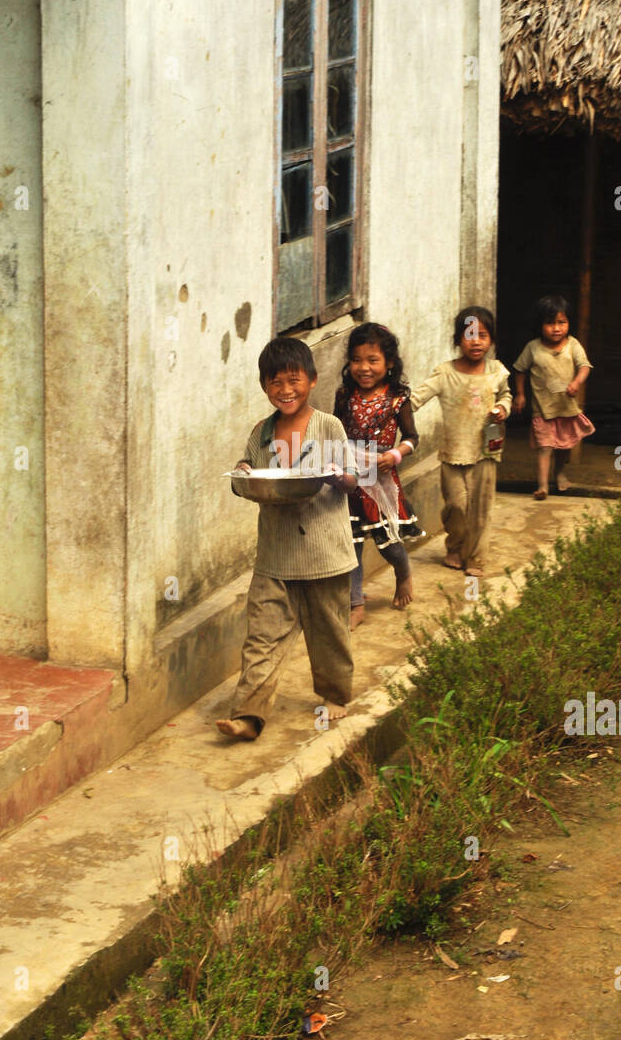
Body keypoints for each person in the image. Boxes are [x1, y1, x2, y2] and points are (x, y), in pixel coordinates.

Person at [216, 337, 357, 742]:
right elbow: (246, 477)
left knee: (329, 630)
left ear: (312, 381)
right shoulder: (261, 433)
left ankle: (335, 695)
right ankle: (248, 716)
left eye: (293, 380)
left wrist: (334, 473)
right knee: (262, 636)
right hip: (275, 555)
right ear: (265, 387)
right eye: (275, 382)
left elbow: (351, 481)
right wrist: (243, 470)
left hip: (325, 552)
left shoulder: (329, 425)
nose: (285, 390)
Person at [333, 323, 424, 630]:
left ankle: (403, 572)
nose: (364, 367)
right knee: (351, 542)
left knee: (388, 542)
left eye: (373, 360)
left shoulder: (398, 398)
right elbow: (335, 432)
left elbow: (412, 437)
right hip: (349, 480)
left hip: (381, 479)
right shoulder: (344, 395)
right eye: (357, 360)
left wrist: (396, 454)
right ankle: (355, 603)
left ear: (390, 364)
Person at [411, 306, 512, 576]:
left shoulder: (497, 371)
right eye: (469, 335)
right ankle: (455, 545)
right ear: (457, 339)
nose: (476, 341)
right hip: (453, 452)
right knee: (456, 505)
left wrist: (503, 409)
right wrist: (391, 410)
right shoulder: (445, 373)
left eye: (482, 334)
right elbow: (416, 399)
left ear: (491, 340)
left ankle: (477, 557)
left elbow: (506, 396)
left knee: (481, 508)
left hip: (486, 451)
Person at [512, 295, 594, 500]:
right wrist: (520, 394)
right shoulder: (533, 348)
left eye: (561, 322)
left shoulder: (573, 345)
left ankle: (559, 472)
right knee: (545, 447)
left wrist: (576, 383)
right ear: (540, 325)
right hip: (543, 410)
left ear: (568, 323)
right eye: (550, 323)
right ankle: (542, 486)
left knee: (563, 447)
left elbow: (584, 366)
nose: (556, 328)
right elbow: (520, 370)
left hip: (566, 408)